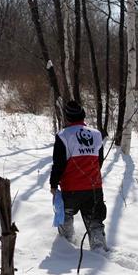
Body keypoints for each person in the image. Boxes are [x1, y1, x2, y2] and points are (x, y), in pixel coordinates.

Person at [50, 100, 108, 251]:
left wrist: (53, 184)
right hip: (94, 188)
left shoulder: (63, 136)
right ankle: (100, 250)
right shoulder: (96, 135)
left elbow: (58, 164)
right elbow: (99, 162)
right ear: (83, 115)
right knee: (95, 222)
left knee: (65, 218)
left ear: (67, 118)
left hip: (71, 189)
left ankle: (66, 250)